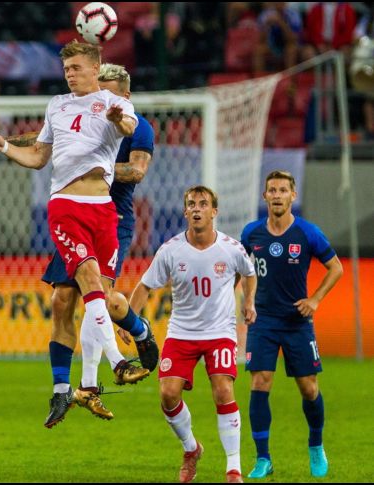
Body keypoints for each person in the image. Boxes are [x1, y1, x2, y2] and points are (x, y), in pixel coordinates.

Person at [0, 40, 149, 423]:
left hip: (103, 209)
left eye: (76, 67)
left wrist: (119, 118)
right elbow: (39, 157)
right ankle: (118, 362)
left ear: (95, 66)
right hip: (66, 206)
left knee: (98, 294)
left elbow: (129, 126)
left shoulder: (114, 104)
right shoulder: (57, 104)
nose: (69, 74)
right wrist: (4, 146)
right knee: (83, 282)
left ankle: (90, 381)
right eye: (66, 68)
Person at [129, 185, 257, 484]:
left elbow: (249, 273)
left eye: (203, 204)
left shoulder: (231, 248)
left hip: (220, 332)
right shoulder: (171, 250)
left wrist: (248, 301)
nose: (197, 208)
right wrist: (128, 322)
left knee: (223, 389)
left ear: (215, 211)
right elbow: (145, 286)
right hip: (182, 332)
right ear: (185, 212)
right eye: (191, 204)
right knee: (167, 394)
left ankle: (233, 468)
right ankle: (191, 449)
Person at [240, 170, 343, 479]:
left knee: (309, 388)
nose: (276, 195)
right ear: (264, 196)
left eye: (282, 190)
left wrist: (315, 300)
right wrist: (245, 301)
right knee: (260, 382)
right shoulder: (251, 234)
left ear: (292, 196)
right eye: (271, 190)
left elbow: (335, 267)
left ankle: (316, 446)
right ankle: (263, 459)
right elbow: (241, 270)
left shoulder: (308, 233)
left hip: (297, 321)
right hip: (263, 320)